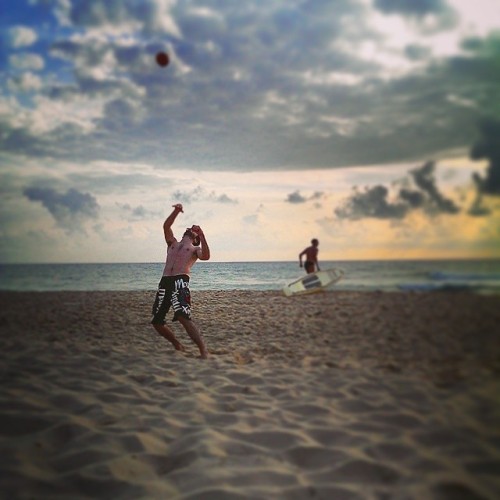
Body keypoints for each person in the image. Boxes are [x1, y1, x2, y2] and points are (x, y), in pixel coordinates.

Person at [151, 203, 210, 359]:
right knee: (157, 321)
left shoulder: (194, 249)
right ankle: (177, 344)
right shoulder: (172, 243)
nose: (190, 229)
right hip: (165, 282)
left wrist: (202, 235)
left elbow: (206, 256)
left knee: (183, 316)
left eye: (194, 231)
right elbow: (166, 226)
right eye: (190, 228)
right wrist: (176, 211)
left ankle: (203, 350)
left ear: (196, 239)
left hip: (180, 282)